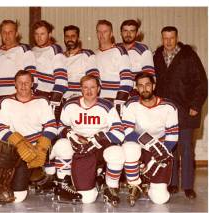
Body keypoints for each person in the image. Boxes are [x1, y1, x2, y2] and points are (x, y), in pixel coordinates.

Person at [153, 26, 208, 199]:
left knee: (186, 149)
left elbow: (202, 82)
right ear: (162, 38)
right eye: (165, 38)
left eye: (171, 38)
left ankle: (188, 186)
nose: (168, 42)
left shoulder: (188, 55)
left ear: (177, 38)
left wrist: (196, 105)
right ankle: (173, 183)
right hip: (165, 112)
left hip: (186, 110)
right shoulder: (157, 56)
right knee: (170, 149)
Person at [0, 70, 57, 204]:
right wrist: (19, 143)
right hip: (13, 149)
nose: (23, 86)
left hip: (34, 149)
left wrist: (41, 146)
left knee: (18, 197)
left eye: (27, 82)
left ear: (32, 84)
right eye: (20, 83)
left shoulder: (42, 101)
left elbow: (52, 126)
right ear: (15, 84)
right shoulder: (5, 102)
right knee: (3, 146)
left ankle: (40, 175)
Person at [54, 74, 125, 205]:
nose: (89, 91)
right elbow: (60, 128)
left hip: (99, 148)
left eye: (92, 87)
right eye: (85, 87)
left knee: (116, 152)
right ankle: (64, 183)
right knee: (87, 198)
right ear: (81, 89)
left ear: (98, 89)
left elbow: (119, 133)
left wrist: (96, 141)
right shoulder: (70, 105)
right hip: (79, 148)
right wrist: (72, 136)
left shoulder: (107, 106)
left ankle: (111, 187)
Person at [120, 72, 179, 205]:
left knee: (160, 199)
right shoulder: (130, 104)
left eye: (147, 84)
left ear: (154, 86)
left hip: (161, 149)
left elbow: (172, 137)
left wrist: (157, 155)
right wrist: (151, 145)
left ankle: (148, 184)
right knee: (129, 147)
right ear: (136, 88)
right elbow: (128, 132)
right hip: (139, 147)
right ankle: (134, 184)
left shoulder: (169, 106)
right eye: (140, 85)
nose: (144, 88)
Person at [31, 20, 67, 121]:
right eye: (36, 34)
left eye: (42, 34)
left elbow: (62, 79)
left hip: (49, 96)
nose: (39, 37)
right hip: (35, 96)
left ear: (49, 34)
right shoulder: (32, 50)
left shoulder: (55, 49)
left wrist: (54, 101)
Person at [95, 20, 133, 114]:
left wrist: (118, 104)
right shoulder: (95, 54)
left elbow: (127, 81)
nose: (102, 35)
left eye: (105, 32)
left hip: (115, 104)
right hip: (98, 104)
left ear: (111, 34)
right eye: (99, 32)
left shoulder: (119, 51)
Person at [0, 20, 37, 101]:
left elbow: (32, 75)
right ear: (0, 34)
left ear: (16, 34)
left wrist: (30, 96)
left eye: (10, 32)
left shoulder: (25, 49)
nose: (7, 35)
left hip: (18, 97)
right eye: (4, 32)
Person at [117, 19, 154, 97]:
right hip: (117, 93)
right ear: (121, 33)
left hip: (136, 94)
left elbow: (149, 77)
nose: (128, 34)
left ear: (137, 33)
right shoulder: (115, 49)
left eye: (132, 31)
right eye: (125, 31)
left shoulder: (144, 50)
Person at [62, 25, 99, 101]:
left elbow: (93, 80)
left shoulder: (87, 54)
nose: (70, 39)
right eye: (67, 36)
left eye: (73, 36)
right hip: (63, 100)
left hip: (80, 99)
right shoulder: (60, 57)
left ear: (78, 38)